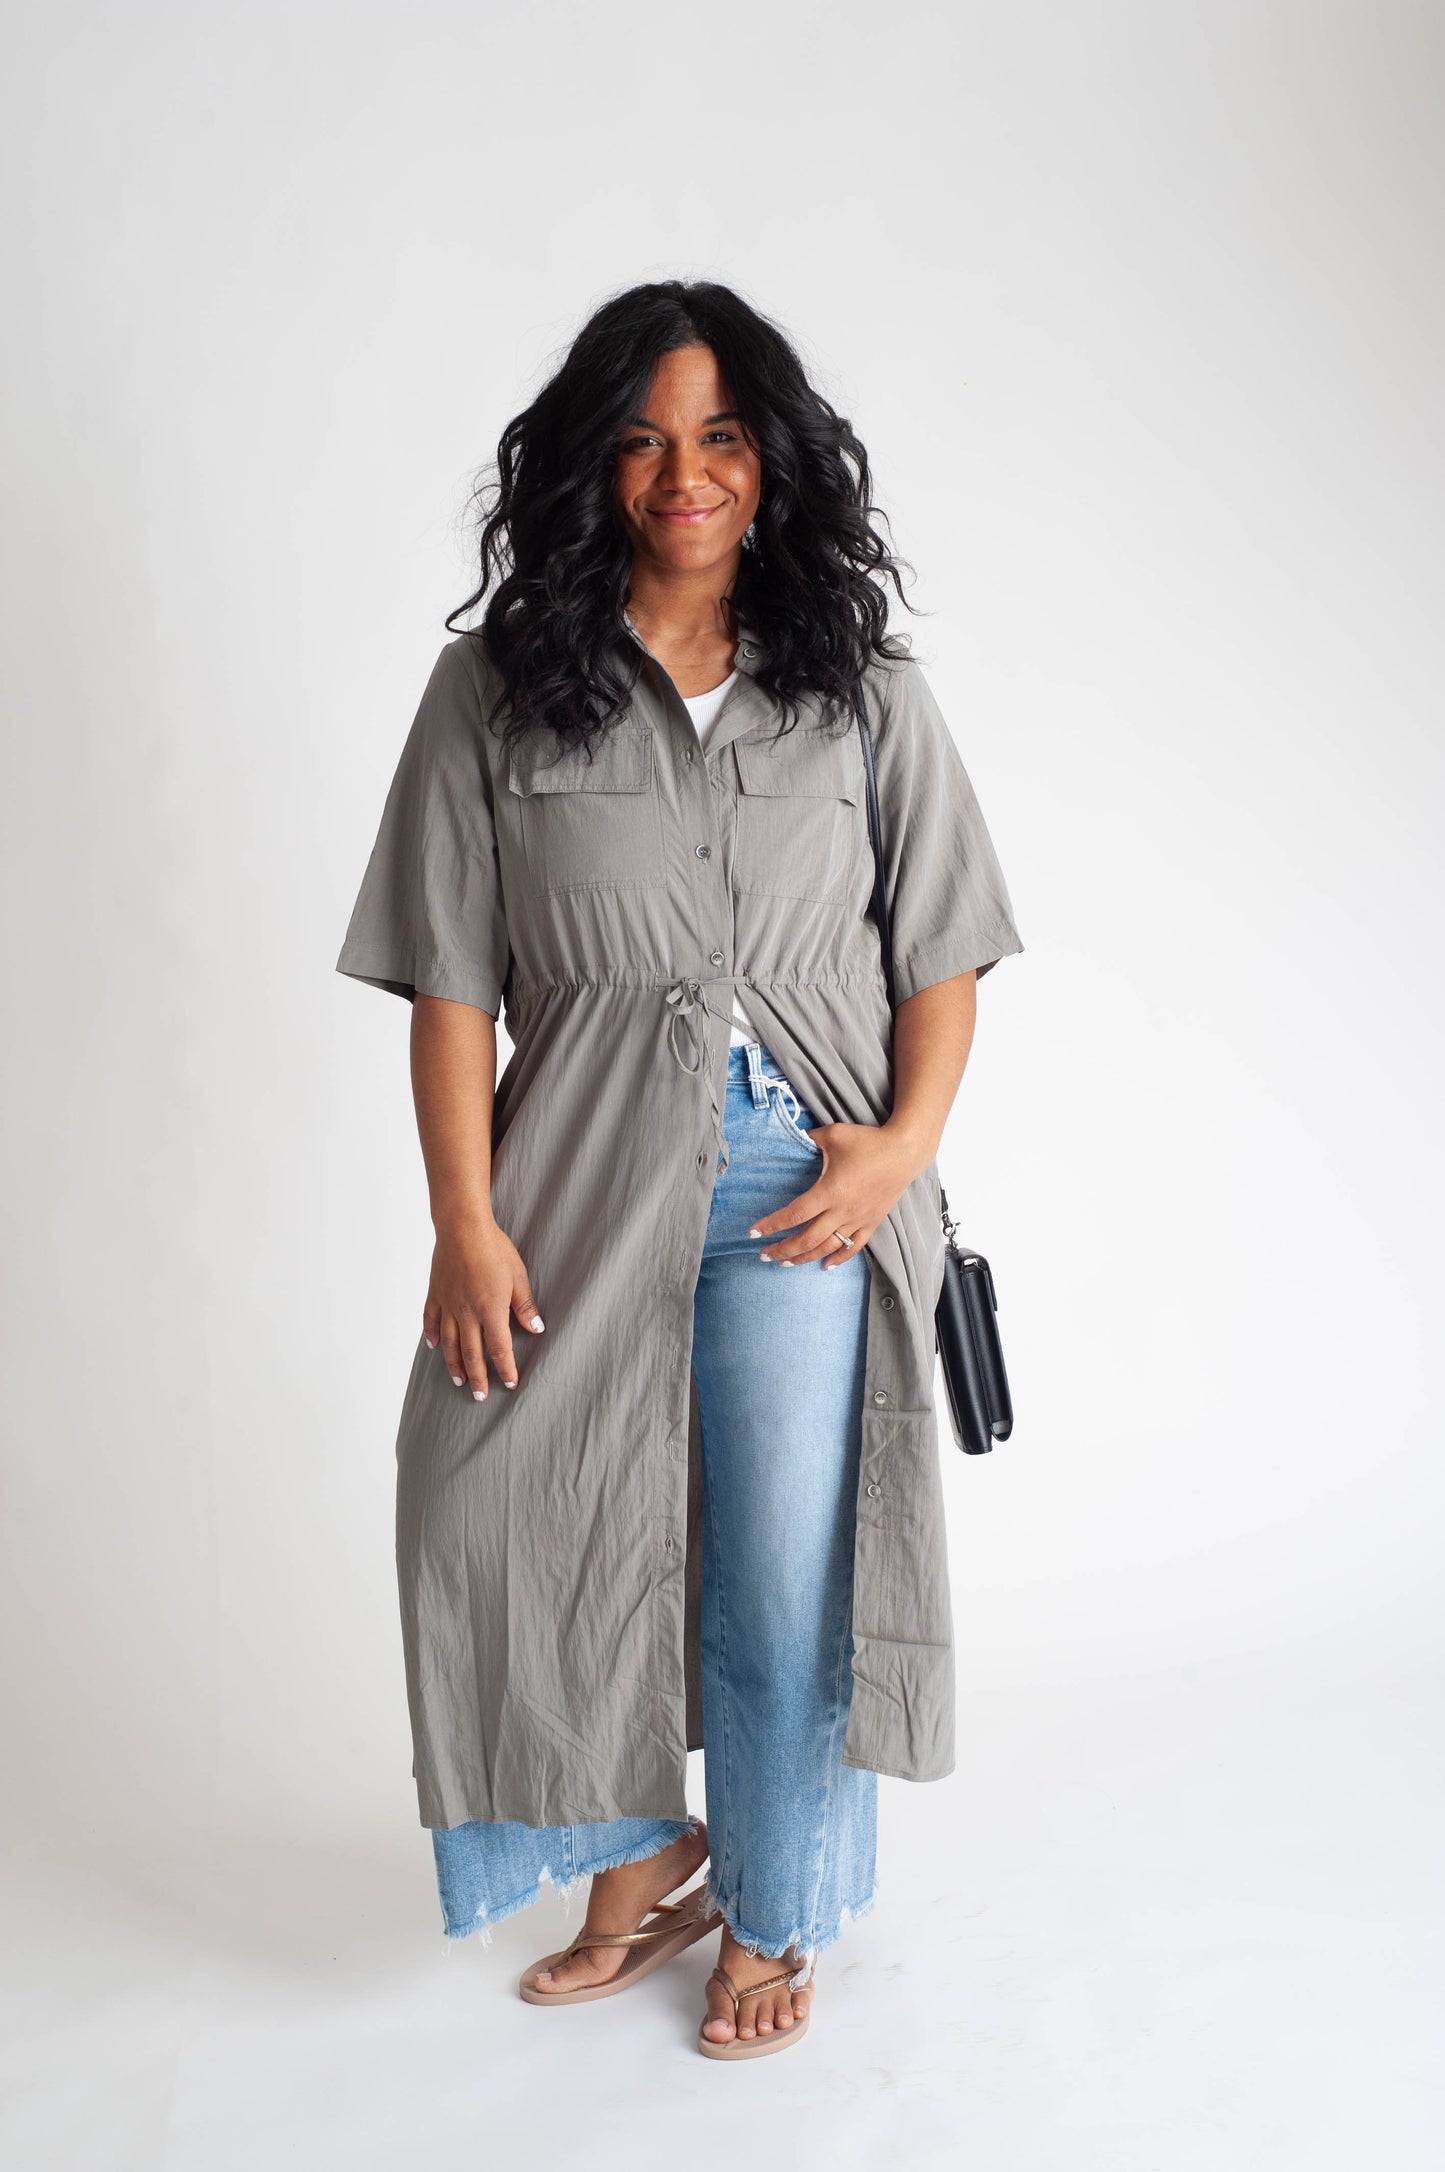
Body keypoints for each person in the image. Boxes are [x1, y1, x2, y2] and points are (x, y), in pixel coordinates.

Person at [335, 278, 1023, 2061]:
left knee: (778, 1569)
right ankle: (640, 1862)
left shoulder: (861, 692)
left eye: (719, 436)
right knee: (513, 1515)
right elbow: (450, 985)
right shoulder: (491, 693)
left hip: (801, 1191)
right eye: (641, 440)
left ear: (770, 460)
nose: (682, 473)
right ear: (592, 465)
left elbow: (942, 950)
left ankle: (772, 1912)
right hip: (570, 1188)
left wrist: (901, 1152)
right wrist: (463, 1222)